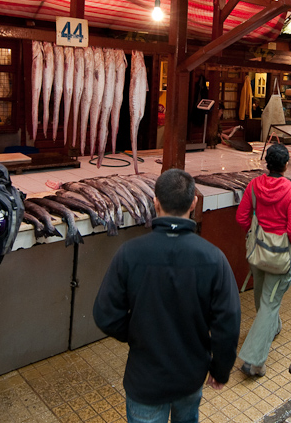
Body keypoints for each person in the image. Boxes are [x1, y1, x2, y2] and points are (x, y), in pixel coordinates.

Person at [93, 168, 240, 422]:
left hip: (145, 379)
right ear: (194, 202)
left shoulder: (130, 253)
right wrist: (220, 369)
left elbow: (105, 315)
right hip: (190, 376)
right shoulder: (213, 258)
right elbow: (228, 320)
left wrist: (138, 333)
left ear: (155, 202)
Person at [235, 143, 291, 377]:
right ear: (285, 165)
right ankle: (254, 362)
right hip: (280, 255)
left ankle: (272, 327)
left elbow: (242, 216)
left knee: (262, 292)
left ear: (266, 163)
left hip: (257, 253)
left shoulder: (254, 186)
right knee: (270, 303)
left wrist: (253, 235)